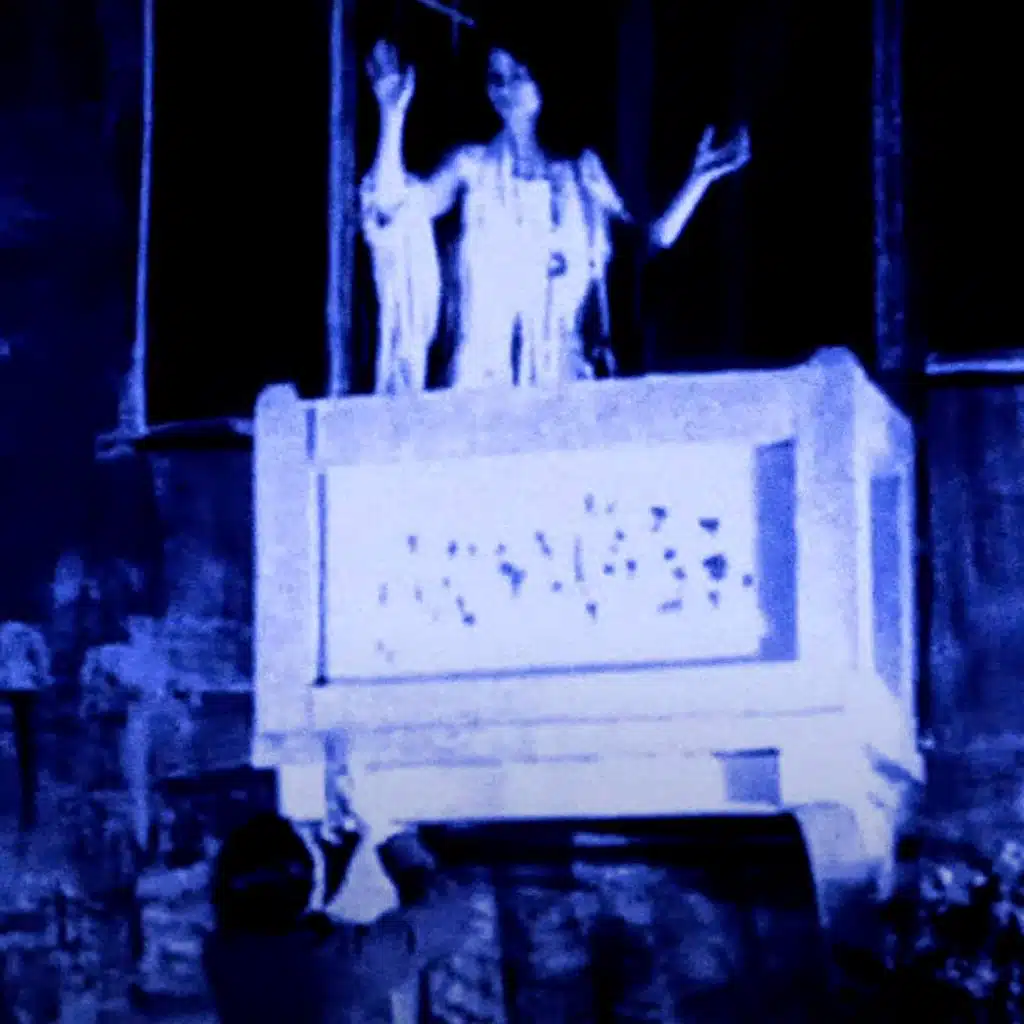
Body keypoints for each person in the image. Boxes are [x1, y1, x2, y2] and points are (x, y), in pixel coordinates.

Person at [360, 23, 751, 395]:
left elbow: (644, 243)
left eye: (518, 75)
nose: (505, 89)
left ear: (544, 77)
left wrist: (698, 179)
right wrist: (391, 117)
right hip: (481, 381)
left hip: (563, 380)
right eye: (495, 78)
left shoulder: (579, 175)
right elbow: (394, 213)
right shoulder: (471, 167)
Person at [202, 801, 475, 1024]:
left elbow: (281, 906)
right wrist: (391, 837)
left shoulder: (226, 953)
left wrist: (334, 856)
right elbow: (447, 915)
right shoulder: (340, 967)